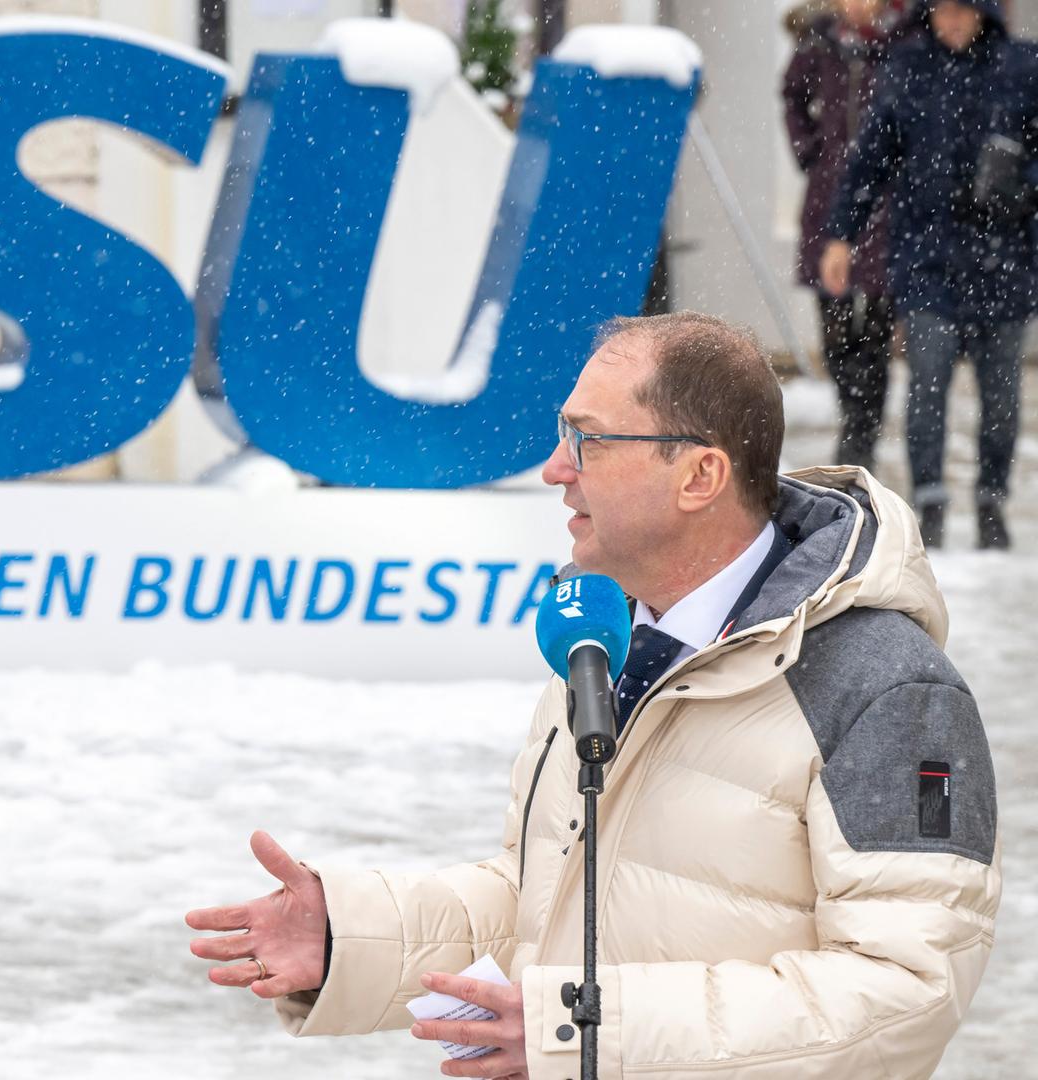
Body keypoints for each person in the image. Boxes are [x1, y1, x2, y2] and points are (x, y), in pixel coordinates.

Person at [187, 313, 999, 1080]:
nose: (554, 469)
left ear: (700, 475)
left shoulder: (887, 688)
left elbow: (905, 996)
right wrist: (349, 937)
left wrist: (588, 1032)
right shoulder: (602, 642)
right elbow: (543, 897)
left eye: (589, 441)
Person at [822, 0, 1038, 548]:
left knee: (1002, 395)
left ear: (984, 13)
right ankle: (931, 502)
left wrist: (1019, 175)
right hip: (928, 260)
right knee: (927, 389)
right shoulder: (908, 68)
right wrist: (841, 235)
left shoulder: (1022, 67)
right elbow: (870, 158)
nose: (952, 22)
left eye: (963, 10)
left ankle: (991, 503)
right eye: (942, 11)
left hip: (1005, 262)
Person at [782, 0, 902, 472]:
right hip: (828, 198)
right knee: (834, 330)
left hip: (887, 205)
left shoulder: (902, 45)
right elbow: (791, 97)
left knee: (875, 328)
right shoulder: (818, 45)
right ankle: (852, 410)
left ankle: (861, 433)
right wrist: (811, 150)